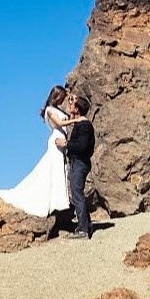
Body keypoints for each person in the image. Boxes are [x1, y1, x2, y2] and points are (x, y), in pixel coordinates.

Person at [0, 86, 71, 217]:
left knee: (56, 170)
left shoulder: (58, 109)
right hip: (56, 141)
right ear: (56, 96)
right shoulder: (50, 110)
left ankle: (57, 201)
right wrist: (77, 120)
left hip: (62, 141)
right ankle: (51, 201)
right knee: (52, 169)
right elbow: (59, 124)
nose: (63, 99)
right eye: (61, 97)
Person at [60, 95, 95, 239]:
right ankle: (87, 224)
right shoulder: (81, 123)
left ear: (77, 109)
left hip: (80, 163)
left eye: (72, 104)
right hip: (79, 162)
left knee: (77, 194)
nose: (70, 105)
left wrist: (66, 144)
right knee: (77, 193)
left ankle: (83, 230)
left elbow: (82, 146)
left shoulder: (84, 125)